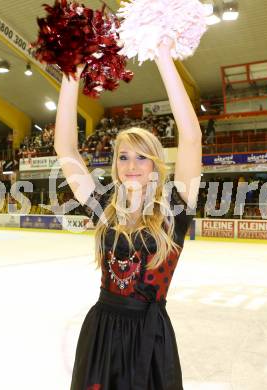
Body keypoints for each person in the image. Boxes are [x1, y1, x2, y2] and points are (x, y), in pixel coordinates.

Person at [54, 37, 202, 390]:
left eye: (142, 156)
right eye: (123, 156)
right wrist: (71, 73)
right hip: (101, 333)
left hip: (150, 340)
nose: (132, 165)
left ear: (155, 162)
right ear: (115, 163)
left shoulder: (174, 208)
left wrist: (163, 55)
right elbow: (65, 147)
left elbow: (192, 137)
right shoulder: (103, 205)